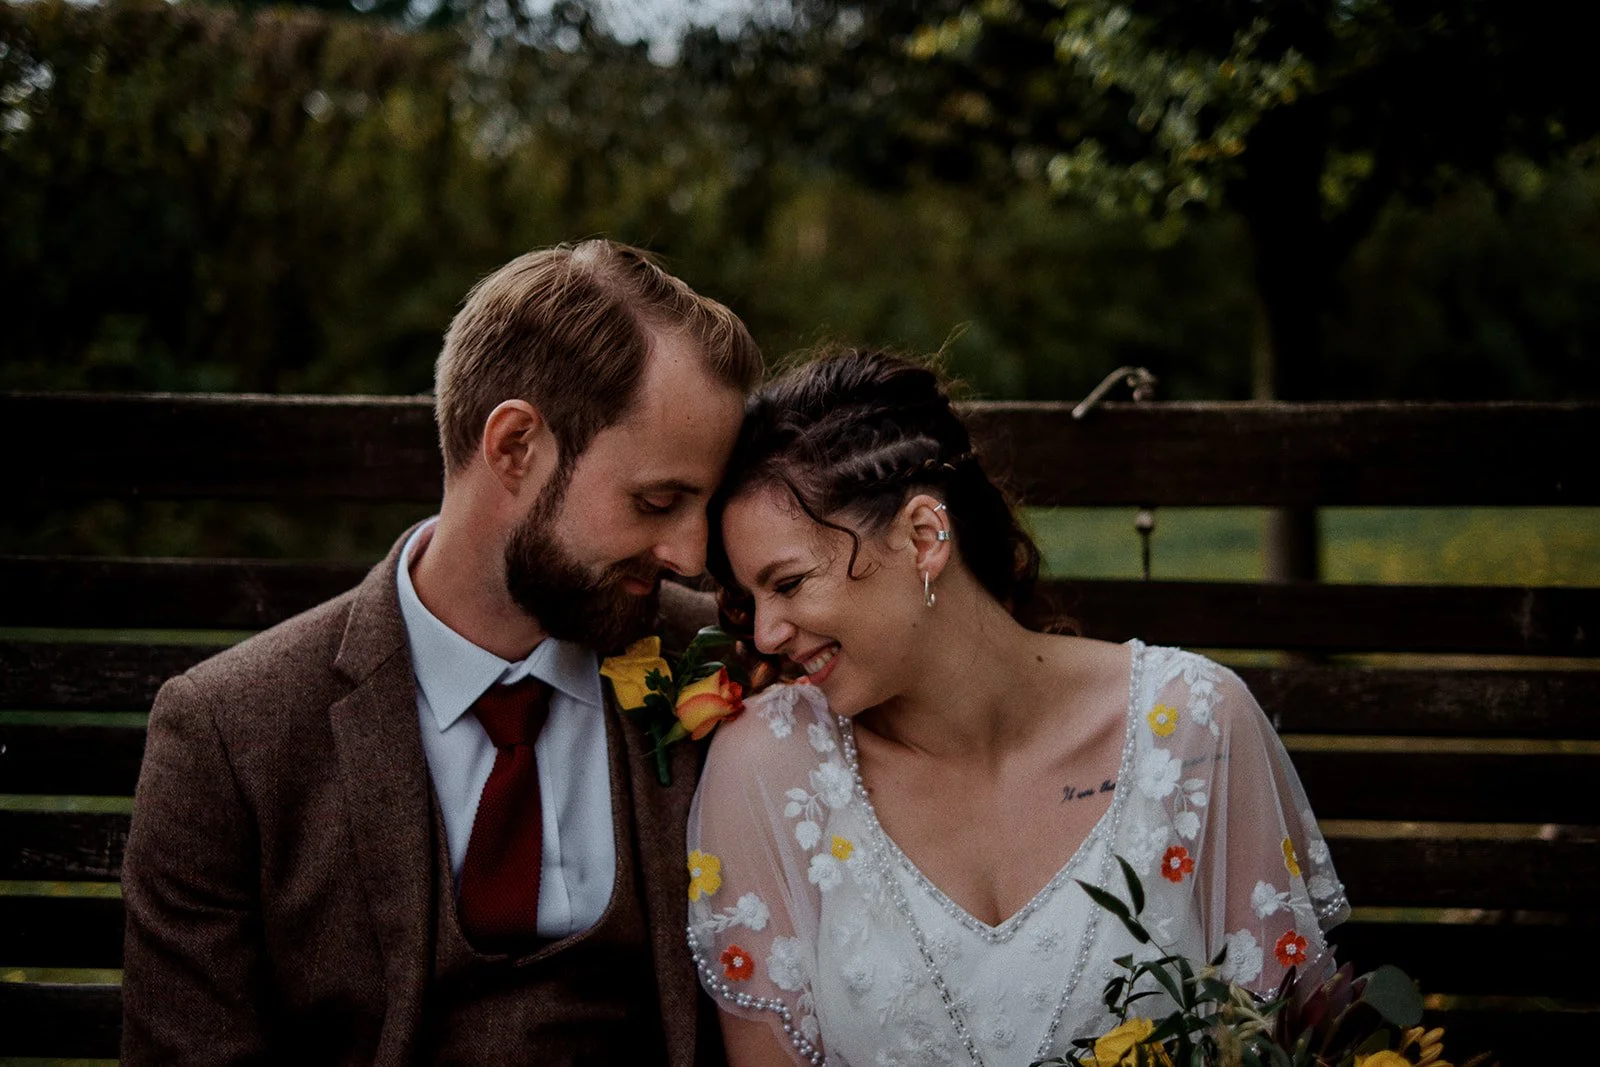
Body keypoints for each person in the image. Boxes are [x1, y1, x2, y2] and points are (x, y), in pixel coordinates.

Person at [121, 239, 763, 1066]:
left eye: (702, 507)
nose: (687, 552)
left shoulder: (719, 661)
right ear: (514, 447)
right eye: (659, 500)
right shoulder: (228, 737)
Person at [685, 350, 1350, 1066]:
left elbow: (1287, 1041)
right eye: (751, 600)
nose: (764, 633)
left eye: (788, 582)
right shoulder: (768, 765)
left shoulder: (1196, 725)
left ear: (924, 537)